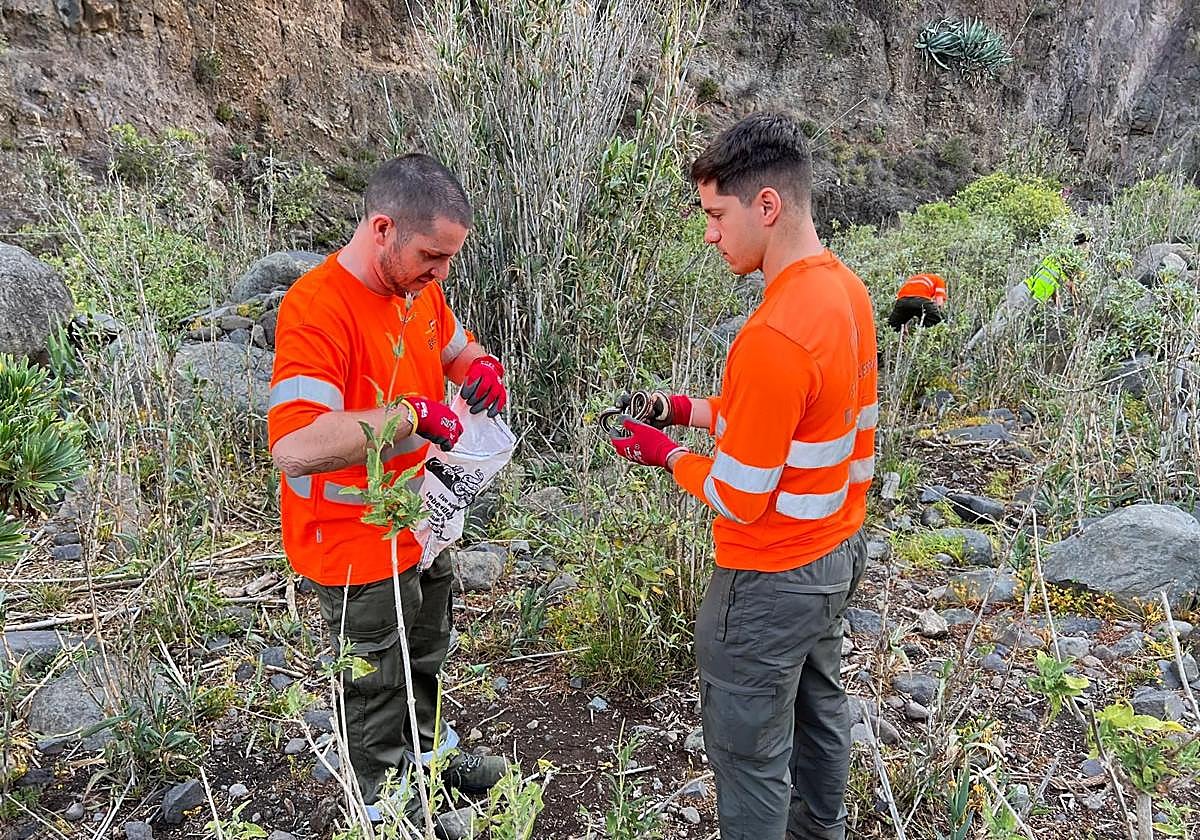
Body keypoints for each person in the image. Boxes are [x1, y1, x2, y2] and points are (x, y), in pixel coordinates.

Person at [607, 113, 877, 840]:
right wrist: (680, 410)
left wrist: (663, 455)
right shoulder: (846, 293)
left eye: (715, 214)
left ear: (767, 206)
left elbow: (740, 494)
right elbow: (803, 426)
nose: (710, 233)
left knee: (749, 754)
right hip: (835, 555)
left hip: (768, 580)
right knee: (821, 717)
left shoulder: (773, 334)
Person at [267, 154, 508, 831]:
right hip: (353, 534)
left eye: (450, 259)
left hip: (424, 516)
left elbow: (457, 348)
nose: (442, 273)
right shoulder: (318, 308)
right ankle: (380, 800)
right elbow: (294, 446)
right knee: (373, 675)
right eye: (433, 255)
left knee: (427, 645)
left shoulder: (419, 289)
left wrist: (480, 366)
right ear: (382, 229)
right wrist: (408, 415)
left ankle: (428, 758)